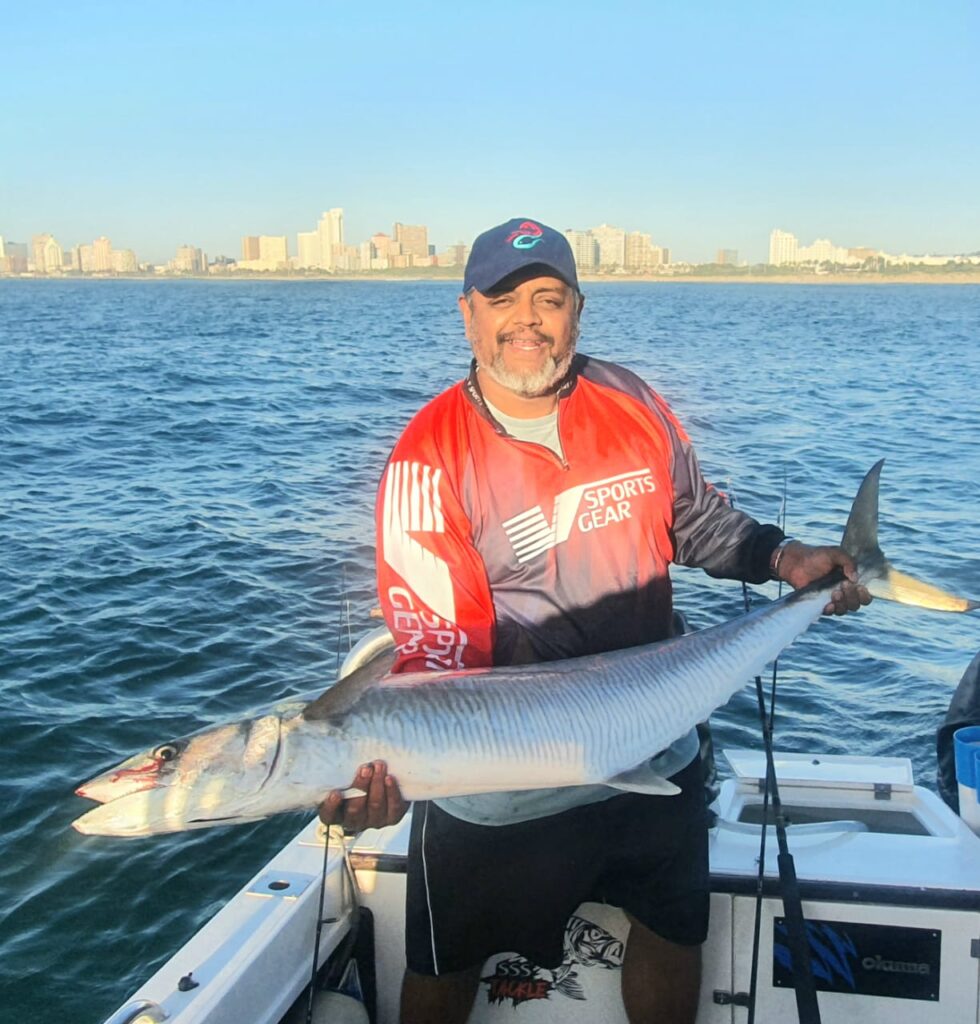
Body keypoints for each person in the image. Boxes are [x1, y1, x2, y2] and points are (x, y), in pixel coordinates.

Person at [320, 217, 870, 1024]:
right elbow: (441, 658)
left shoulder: (632, 399)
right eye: (503, 299)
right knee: (445, 965)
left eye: (548, 298)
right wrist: (394, 767)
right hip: (499, 787)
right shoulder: (428, 457)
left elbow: (694, 517)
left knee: (673, 931)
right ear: (467, 311)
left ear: (579, 308)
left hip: (655, 734)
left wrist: (786, 559)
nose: (527, 320)